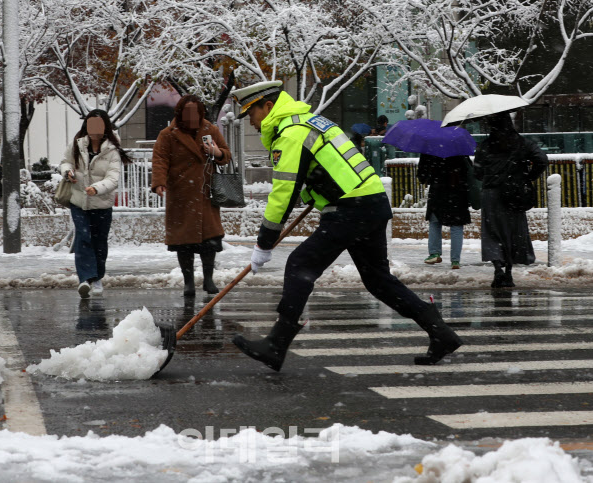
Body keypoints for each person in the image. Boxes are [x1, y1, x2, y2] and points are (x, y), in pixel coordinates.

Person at [230, 80, 463, 371]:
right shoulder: (310, 122)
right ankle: (440, 331)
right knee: (378, 280)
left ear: (268, 106)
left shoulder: (291, 133)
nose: (250, 121)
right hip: (370, 202)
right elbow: (325, 169)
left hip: (350, 208)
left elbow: (283, 192)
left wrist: (264, 241)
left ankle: (276, 344)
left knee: (300, 264)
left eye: (251, 113)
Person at [151, 94, 232, 297]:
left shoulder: (210, 130)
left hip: (205, 193)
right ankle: (188, 282)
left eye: (195, 112)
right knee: (183, 242)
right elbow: (160, 159)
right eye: (187, 112)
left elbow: (226, 154)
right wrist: (159, 182)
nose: (191, 116)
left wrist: (216, 152)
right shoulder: (168, 134)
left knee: (210, 240)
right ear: (179, 113)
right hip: (181, 193)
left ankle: (208, 279)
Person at [60, 109, 129, 299]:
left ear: (105, 127)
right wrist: (68, 173)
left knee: (99, 242)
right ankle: (84, 279)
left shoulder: (112, 150)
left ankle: (97, 277)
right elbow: (65, 162)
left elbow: (113, 178)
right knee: (83, 237)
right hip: (79, 202)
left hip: (101, 204)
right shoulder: (77, 144)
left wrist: (97, 188)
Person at [474, 112, 548, 288]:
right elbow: (542, 160)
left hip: (491, 195)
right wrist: (527, 176)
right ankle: (508, 272)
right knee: (513, 233)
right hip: (514, 194)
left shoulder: (486, 145)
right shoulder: (522, 143)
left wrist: (490, 173)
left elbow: (477, 172)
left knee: (492, 233)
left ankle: (498, 269)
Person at [417, 154, 472, 269]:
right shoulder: (459, 150)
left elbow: (422, 177)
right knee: (456, 226)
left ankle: (434, 253)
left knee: (435, 222)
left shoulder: (429, 150)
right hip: (458, 192)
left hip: (438, 192)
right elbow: (468, 172)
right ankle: (455, 260)